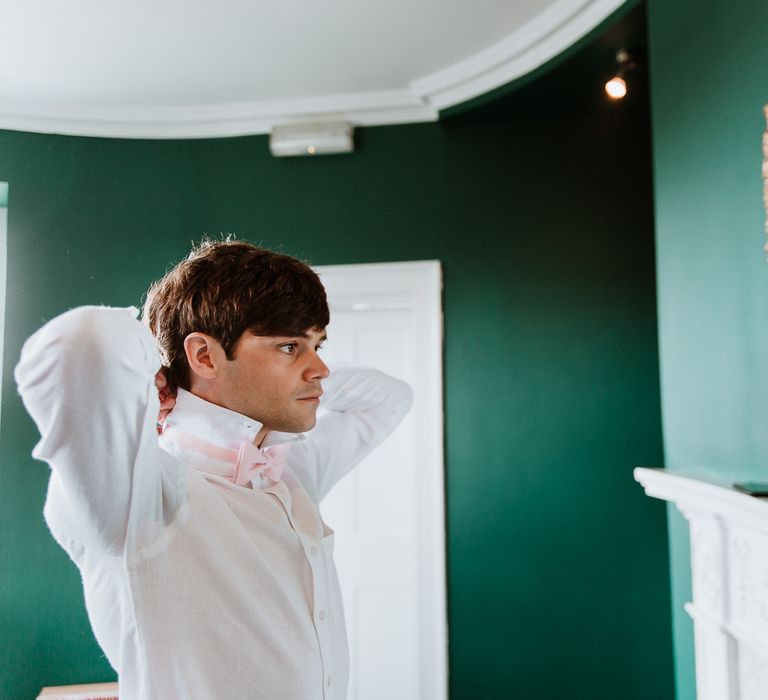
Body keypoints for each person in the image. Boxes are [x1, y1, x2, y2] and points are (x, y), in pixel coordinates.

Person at [15, 240, 413, 700]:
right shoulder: (140, 495)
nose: (320, 368)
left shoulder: (289, 472)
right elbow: (83, 343)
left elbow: (388, 397)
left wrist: (286, 371)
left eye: (317, 345)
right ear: (204, 356)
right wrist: (156, 372)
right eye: (290, 346)